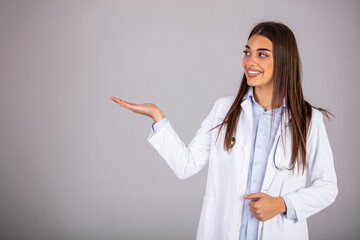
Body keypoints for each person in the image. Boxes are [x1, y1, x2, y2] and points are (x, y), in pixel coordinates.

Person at [110, 21, 338, 240]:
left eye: (262, 54)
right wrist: (156, 116)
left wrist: (283, 204)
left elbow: (327, 187)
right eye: (247, 52)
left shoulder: (307, 120)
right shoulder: (224, 110)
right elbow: (186, 165)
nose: (250, 61)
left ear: (284, 61)